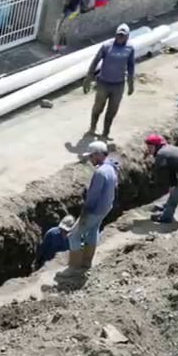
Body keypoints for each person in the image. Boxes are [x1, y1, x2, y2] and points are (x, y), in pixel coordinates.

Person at [69, 140, 119, 269]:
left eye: (91, 156)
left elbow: (92, 197)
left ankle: (74, 268)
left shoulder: (100, 173)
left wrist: (84, 216)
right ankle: (86, 263)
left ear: (98, 154)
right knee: (92, 231)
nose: (90, 159)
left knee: (73, 236)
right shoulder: (112, 167)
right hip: (105, 207)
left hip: (95, 210)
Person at [84, 23, 137, 138]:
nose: (120, 38)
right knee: (98, 107)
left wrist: (131, 82)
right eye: (118, 35)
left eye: (123, 36)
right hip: (103, 83)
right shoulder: (106, 46)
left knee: (112, 110)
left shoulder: (130, 49)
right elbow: (95, 61)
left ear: (127, 37)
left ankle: (105, 133)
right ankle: (92, 128)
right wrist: (89, 77)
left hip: (118, 85)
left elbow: (131, 66)